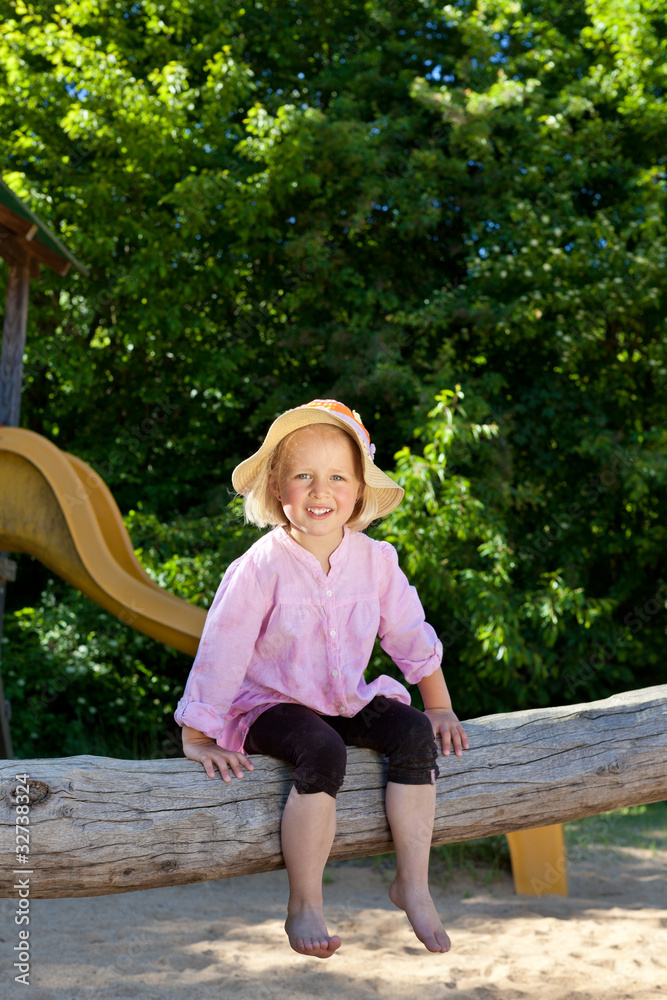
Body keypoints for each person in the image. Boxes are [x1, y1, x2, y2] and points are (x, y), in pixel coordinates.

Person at [174, 399, 469, 960]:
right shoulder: (261, 565)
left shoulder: (376, 561)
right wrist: (198, 735)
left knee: (412, 734)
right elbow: (223, 648)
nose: (319, 491)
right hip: (269, 704)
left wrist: (438, 706)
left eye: (337, 477)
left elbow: (408, 632)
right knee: (322, 750)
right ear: (278, 488)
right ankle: (305, 901)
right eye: (303, 476)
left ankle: (413, 883)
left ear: (359, 491)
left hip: (341, 697)